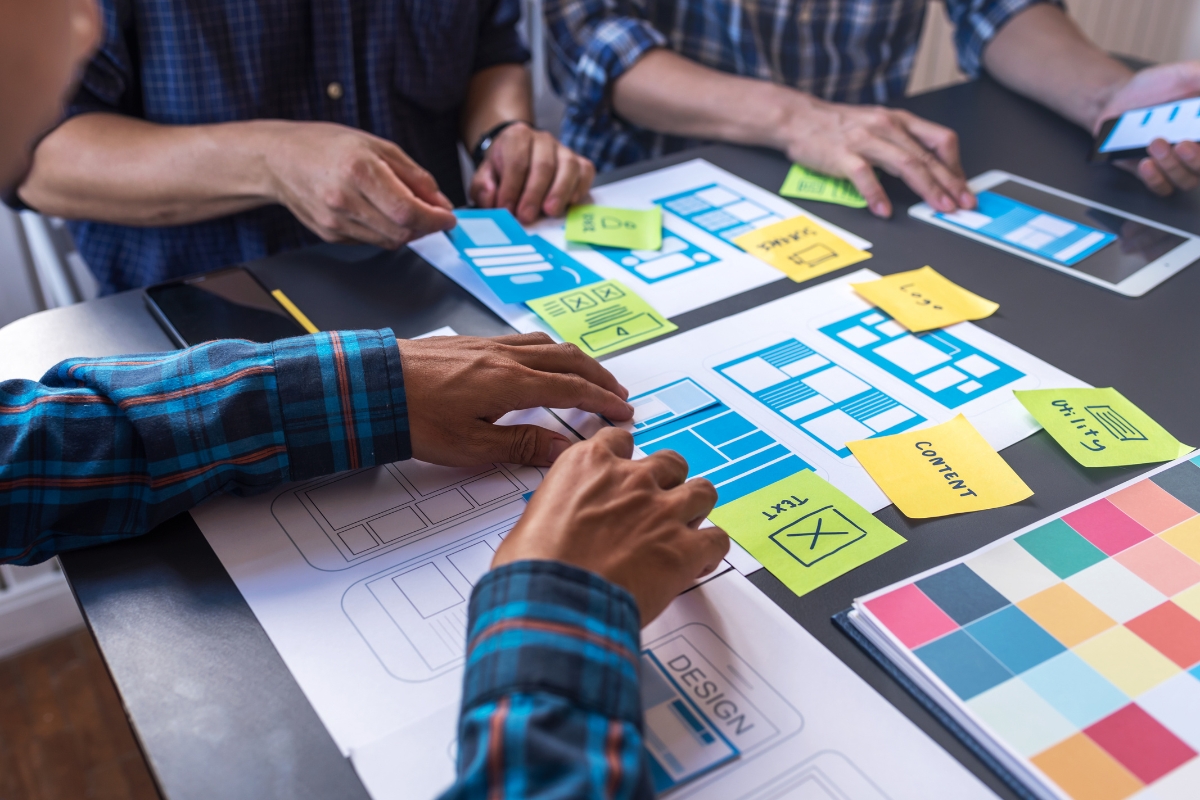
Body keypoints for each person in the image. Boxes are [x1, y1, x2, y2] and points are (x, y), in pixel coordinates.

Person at [3, 3, 728, 797]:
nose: (83, 28)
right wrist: (560, 610)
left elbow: (41, 449)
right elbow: (42, 156)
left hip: (431, 310)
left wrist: (500, 134)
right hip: (186, 317)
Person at [10, 0, 597, 295]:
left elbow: (491, 50)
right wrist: (269, 159)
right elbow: (35, 158)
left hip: (434, 282)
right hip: (201, 319)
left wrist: (504, 133)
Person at [545, 0, 1200, 220]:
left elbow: (999, 8)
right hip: (643, 184)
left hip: (854, 187)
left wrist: (1108, 99)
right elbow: (596, 43)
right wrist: (798, 118)